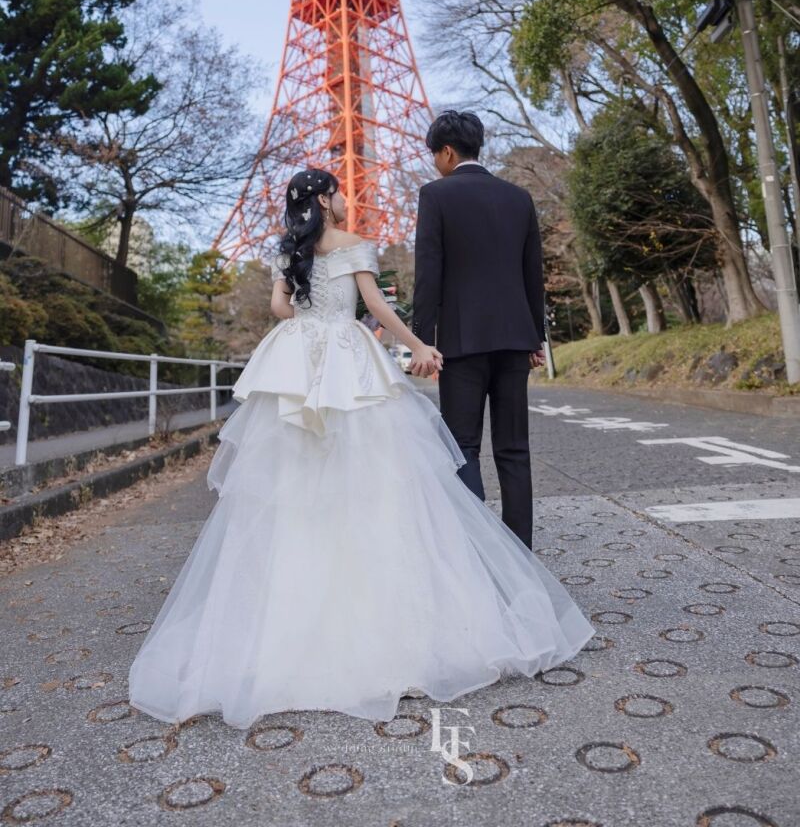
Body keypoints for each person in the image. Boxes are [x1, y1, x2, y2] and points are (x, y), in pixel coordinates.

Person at [127, 166, 594, 730]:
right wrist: (420, 343)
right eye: (338, 191)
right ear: (326, 200)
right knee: (375, 480)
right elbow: (375, 306)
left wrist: (306, 306)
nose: (345, 197)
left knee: (295, 487)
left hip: (296, 360)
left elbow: (279, 310)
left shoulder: (287, 250)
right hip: (349, 360)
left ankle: (291, 621)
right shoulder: (354, 245)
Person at [412, 110, 546, 550]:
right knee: (514, 449)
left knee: (463, 446)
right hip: (513, 340)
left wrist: (423, 340)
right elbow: (533, 273)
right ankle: (520, 551)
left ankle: (478, 550)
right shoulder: (518, 197)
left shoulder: (436, 196)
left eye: (435, 154)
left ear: (447, 151)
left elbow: (428, 273)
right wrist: (536, 337)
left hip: (461, 344)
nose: (435, 163)